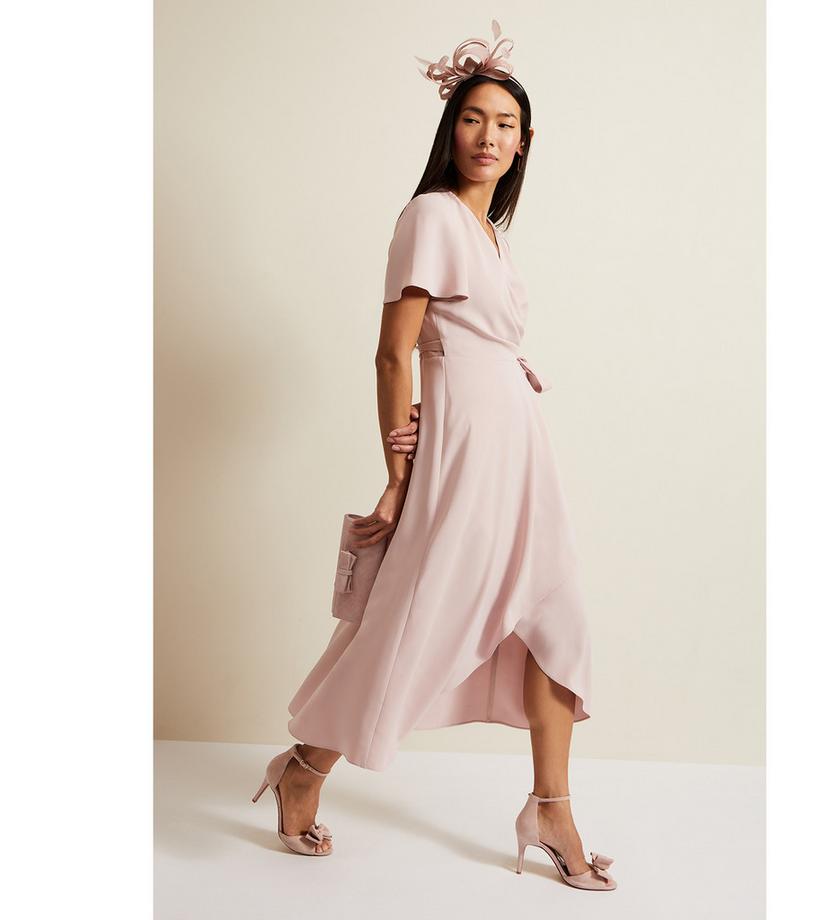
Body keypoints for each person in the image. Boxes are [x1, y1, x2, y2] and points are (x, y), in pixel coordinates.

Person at [251, 21, 616, 891]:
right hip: (462, 451)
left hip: (519, 445)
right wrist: (399, 468)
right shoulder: (430, 217)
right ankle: (304, 765)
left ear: (525, 142)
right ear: (451, 130)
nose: (488, 136)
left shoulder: (492, 235)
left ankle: (552, 808)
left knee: (557, 616)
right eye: (473, 119)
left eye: (504, 124)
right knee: (418, 621)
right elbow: (394, 353)